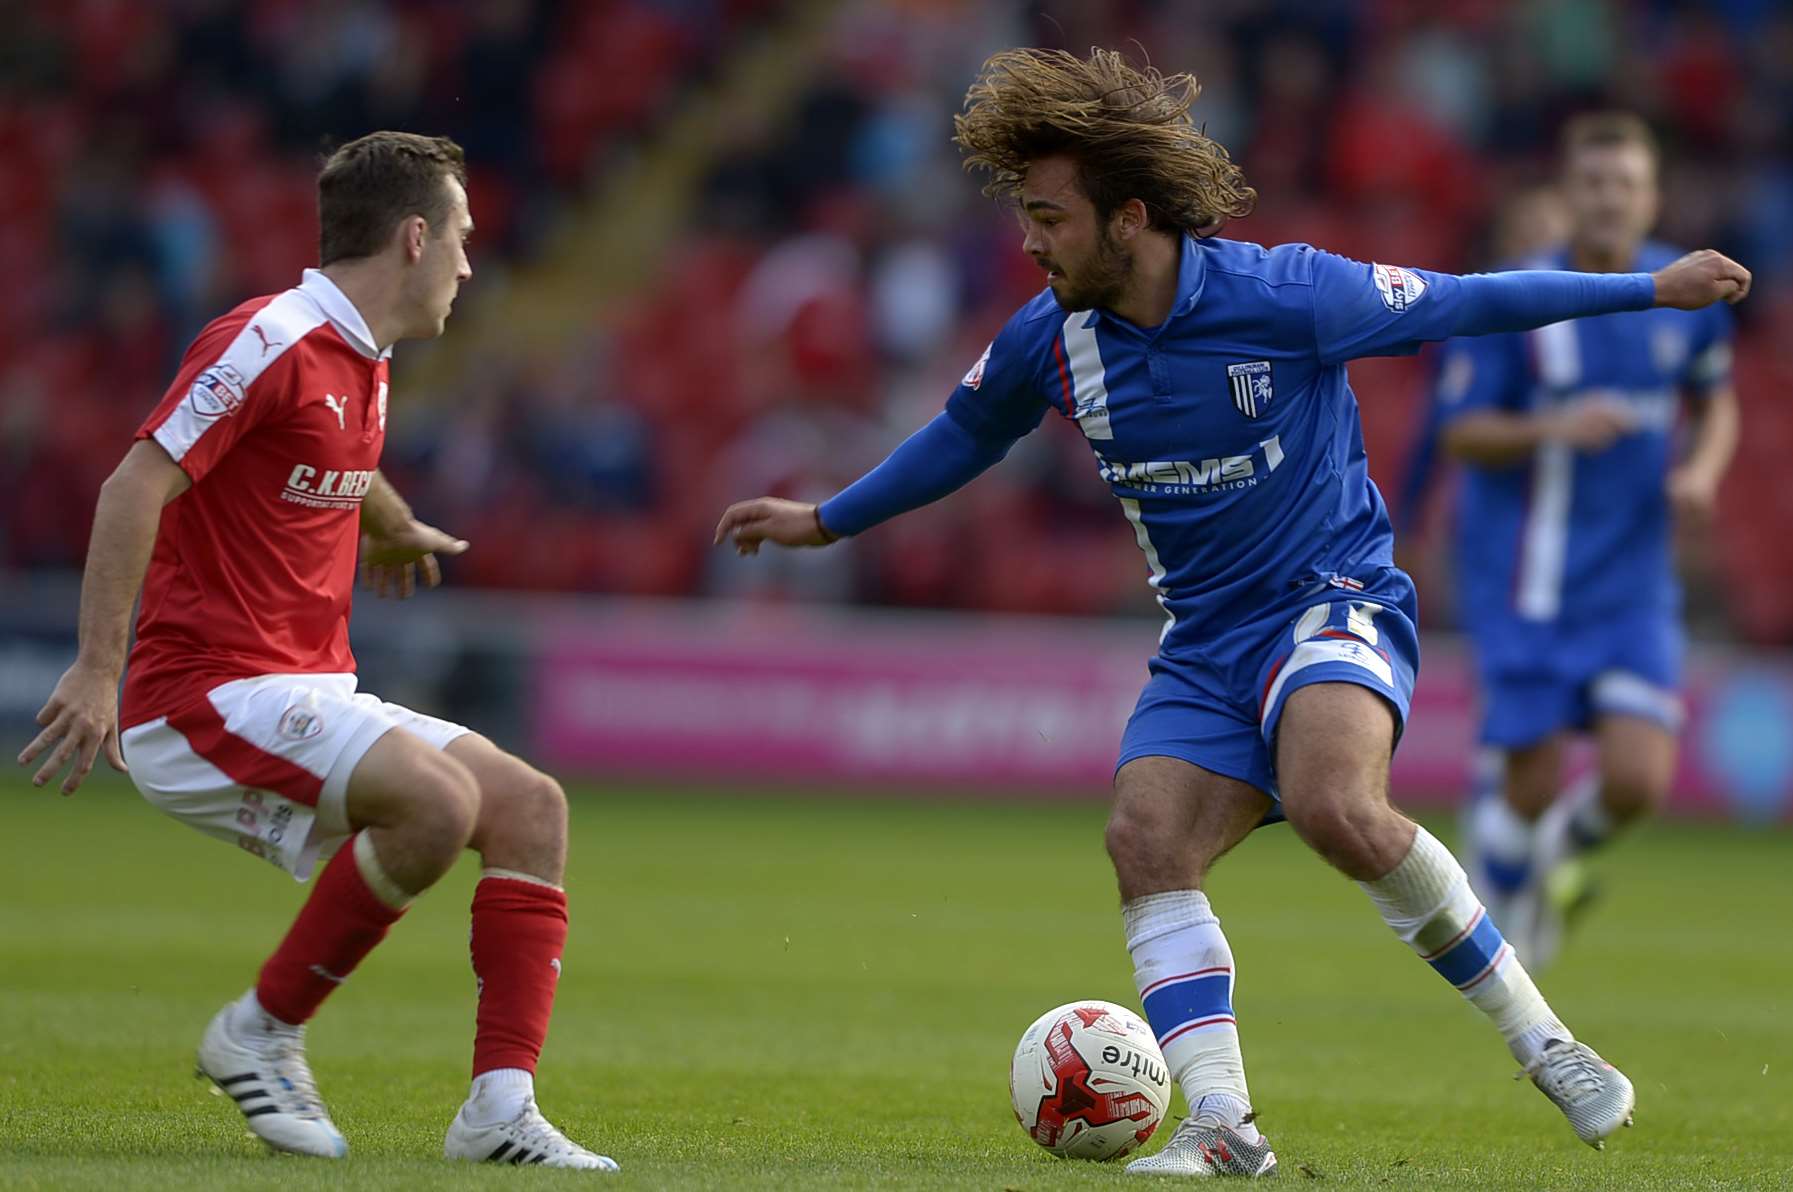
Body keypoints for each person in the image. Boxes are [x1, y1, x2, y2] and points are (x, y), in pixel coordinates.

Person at [714, 50, 1749, 1178]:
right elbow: (963, 436)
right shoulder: (1051, 337)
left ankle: (1546, 1044)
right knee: (1143, 837)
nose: (1028, 242)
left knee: (1331, 802)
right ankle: (1220, 1130)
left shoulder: (1287, 294)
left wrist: (1648, 288)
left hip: (1331, 598)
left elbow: (1466, 300)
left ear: (1130, 217)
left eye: (1048, 217)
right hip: (1205, 642)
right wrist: (827, 520)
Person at [17, 132, 617, 1172]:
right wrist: (95, 668)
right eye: (463, 238)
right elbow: (134, 484)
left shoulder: (363, 359)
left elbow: (319, 449)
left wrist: (386, 517)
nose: (471, 264)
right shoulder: (268, 337)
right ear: (415, 236)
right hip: (199, 697)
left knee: (531, 806)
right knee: (434, 803)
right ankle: (259, 1028)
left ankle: (497, 1110)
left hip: (301, 684)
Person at [1437, 113, 1739, 968]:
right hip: (1524, 581)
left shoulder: (1686, 295)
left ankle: (1545, 865)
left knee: (1638, 780)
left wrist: (1701, 471)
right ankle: (1504, 895)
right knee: (1528, 784)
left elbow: (1716, 400)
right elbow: (1461, 432)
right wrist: (1552, 429)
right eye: (1593, 182)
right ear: (1566, 194)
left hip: (1631, 583)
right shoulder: (1519, 296)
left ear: (1650, 197)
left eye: (1626, 184)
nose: (1609, 199)